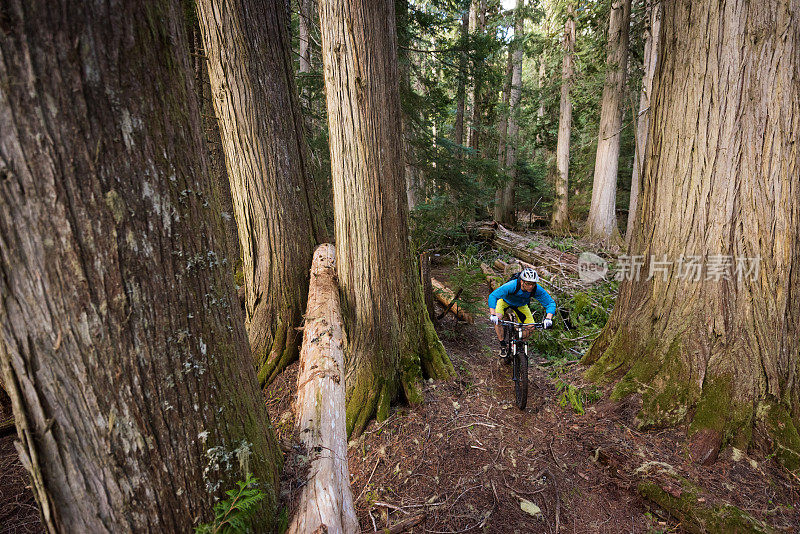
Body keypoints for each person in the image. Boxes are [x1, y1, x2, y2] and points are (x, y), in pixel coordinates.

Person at [487, 267, 555, 358]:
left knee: (531, 327)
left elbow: (550, 303)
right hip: (504, 301)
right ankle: (503, 344)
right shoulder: (512, 285)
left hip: (521, 305)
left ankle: (517, 342)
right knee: (498, 319)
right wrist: (493, 314)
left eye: (533, 284)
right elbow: (493, 296)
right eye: (528, 284)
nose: (531, 286)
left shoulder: (536, 289)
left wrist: (548, 318)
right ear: (522, 281)